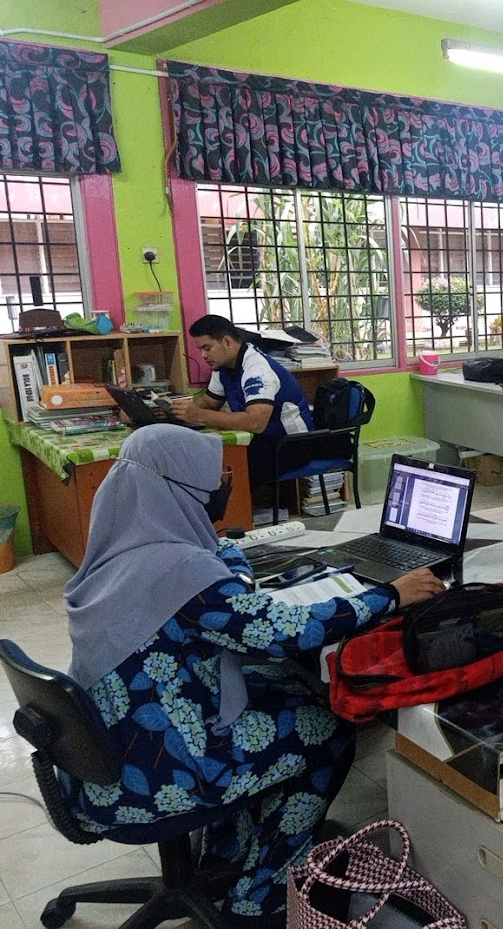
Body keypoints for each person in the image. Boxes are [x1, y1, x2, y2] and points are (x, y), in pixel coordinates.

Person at [64, 425, 446, 928]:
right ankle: (260, 896)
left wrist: (226, 555)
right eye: (213, 478)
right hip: (154, 776)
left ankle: (227, 853)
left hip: (108, 752)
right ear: (179, 490)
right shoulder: (180, 571)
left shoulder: (122, 548)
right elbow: (285, 633)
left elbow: (211, 588)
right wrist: (391, 594)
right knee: (327, 728)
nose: (221, 485)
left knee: (277, 687)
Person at [171, 315, 316, 478]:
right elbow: (209, 402)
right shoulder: (223, 367)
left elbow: (255, 422)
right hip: (260, 439)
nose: (203, 356)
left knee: (226, 470)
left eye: (207, 348)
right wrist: (178, 412)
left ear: (227, 342)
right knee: (206, 459)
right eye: (200, 350)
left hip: (291, 444)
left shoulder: (257, 369)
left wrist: (199, 415)